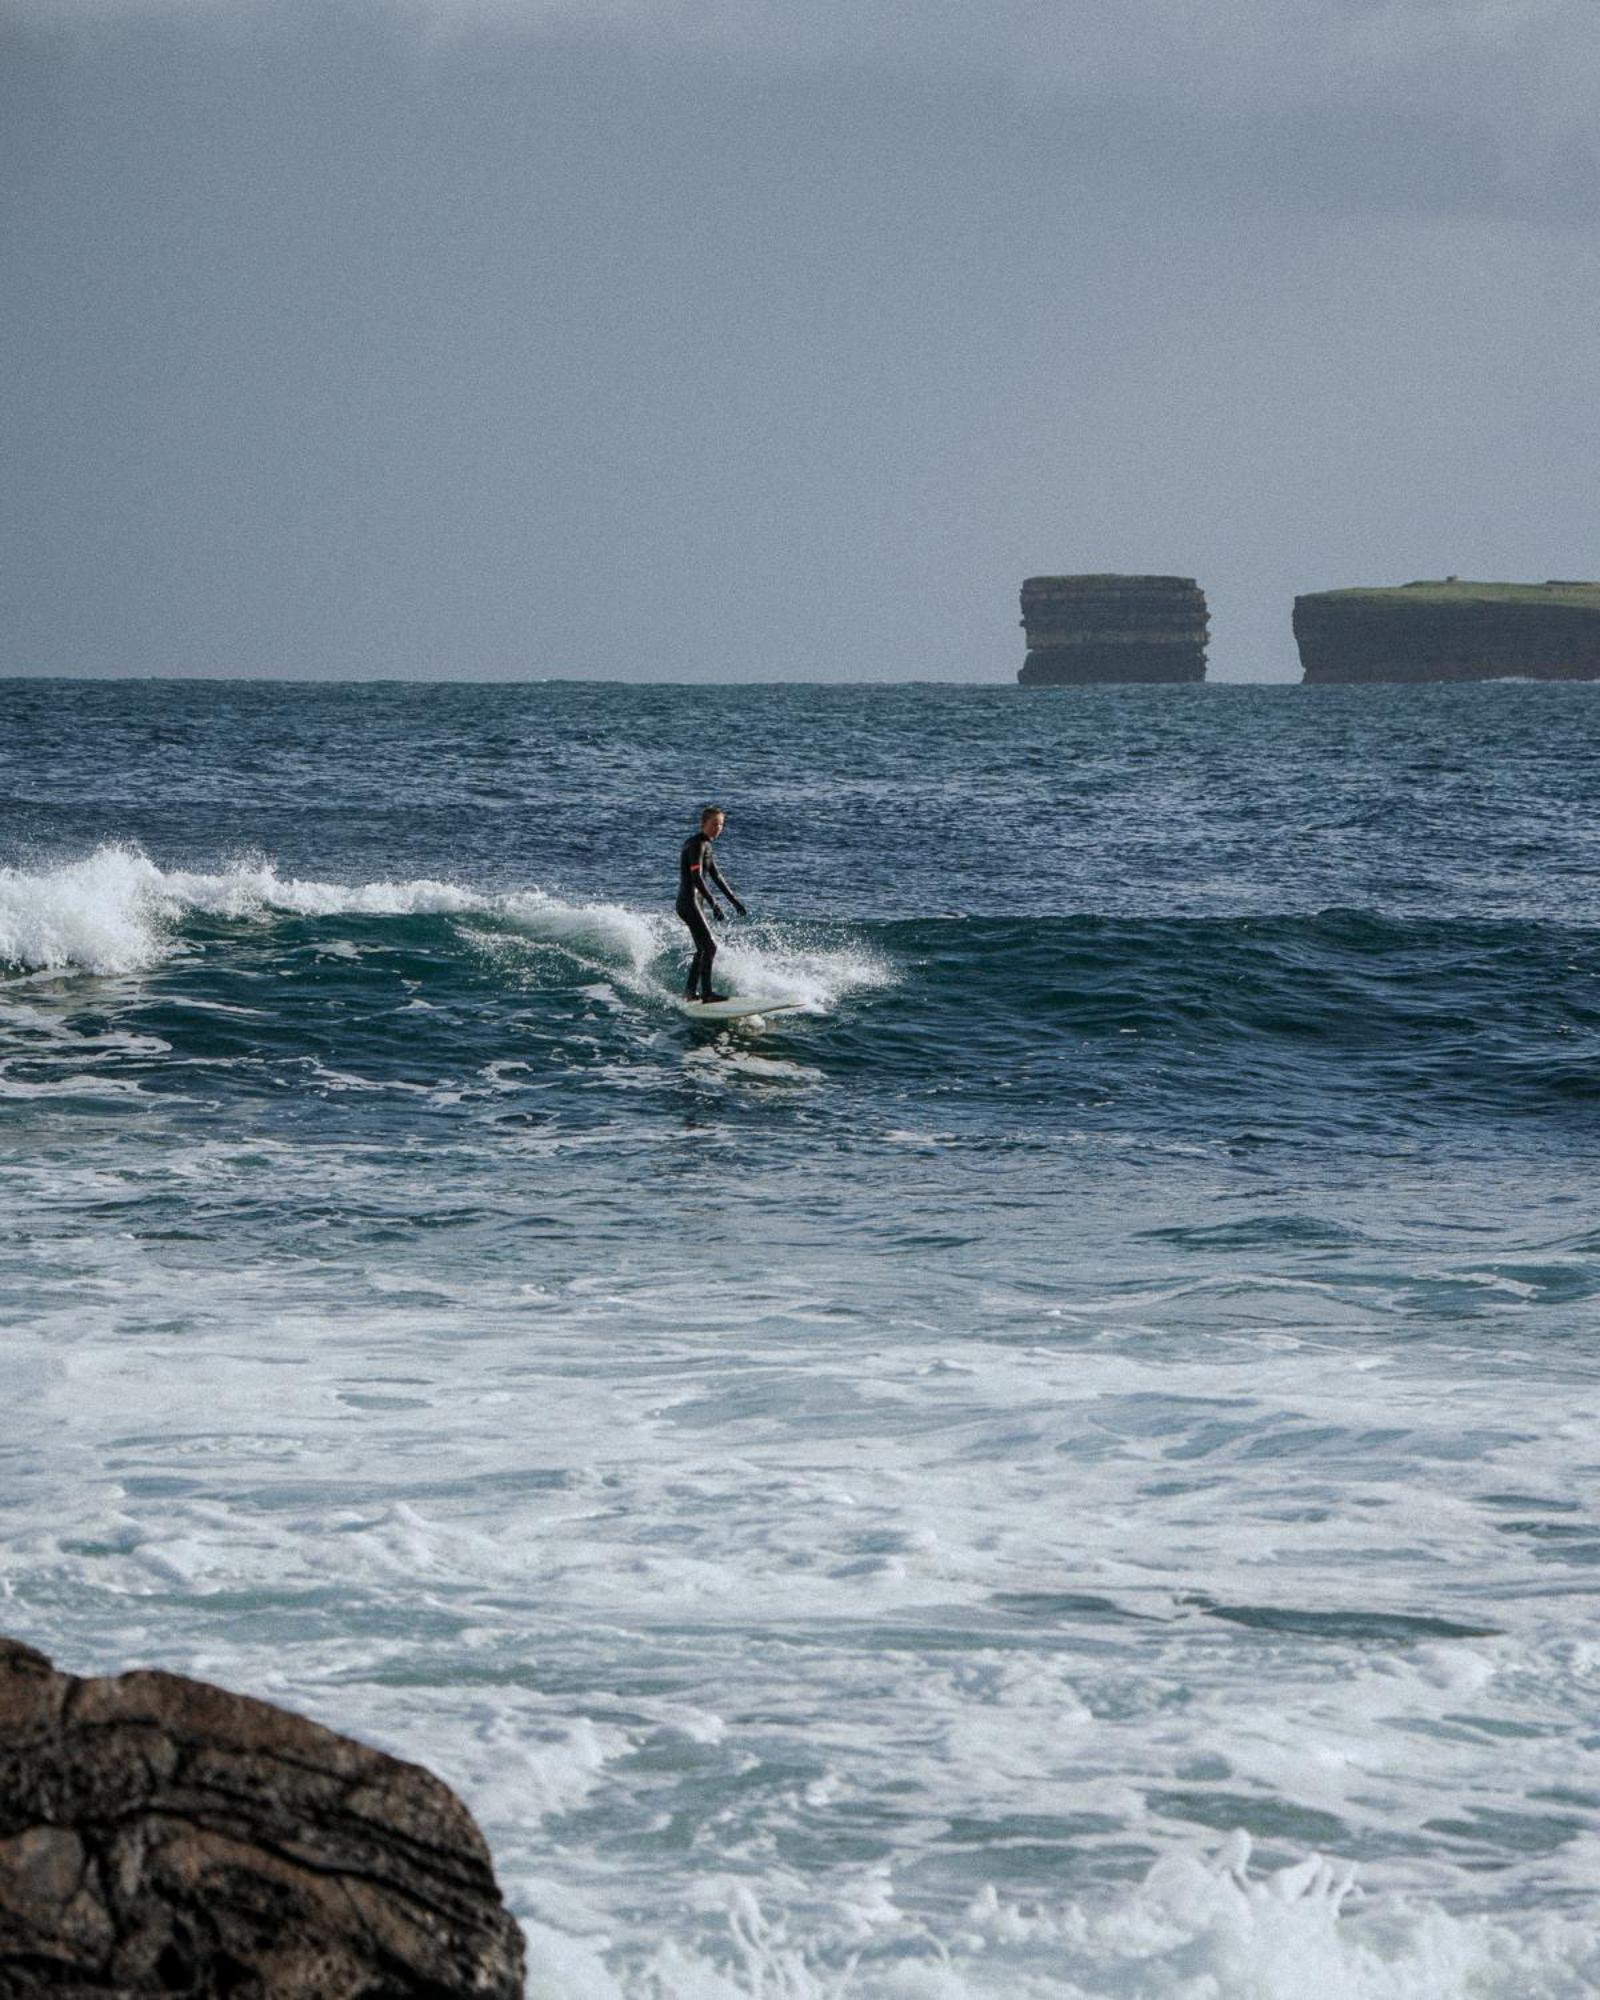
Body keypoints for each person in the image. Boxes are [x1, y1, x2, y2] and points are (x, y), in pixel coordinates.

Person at [676, 805, 747, 1002]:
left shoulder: (706, 844)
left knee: (702, 949)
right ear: (703, 824)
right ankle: (706, 994)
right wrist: (714, 903)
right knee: (710, 947)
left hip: (692, 903)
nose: (718, 828)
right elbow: (696, 877)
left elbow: (716, 875)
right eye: (714, 824)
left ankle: (690, 992)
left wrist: (734, 902)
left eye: (721, 824)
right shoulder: (696, 844)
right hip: (688, 902)